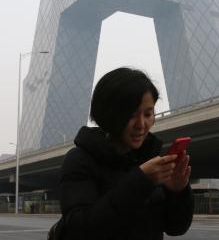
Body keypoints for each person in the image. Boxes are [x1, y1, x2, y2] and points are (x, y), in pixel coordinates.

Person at [59, 67, 193, 240]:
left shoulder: (152, 159)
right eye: (131, 115)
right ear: (108, 114)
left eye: (148, 113)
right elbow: (81, 229)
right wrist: (141, 180)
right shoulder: (80, 160)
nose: (141, 124)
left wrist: (178, 192)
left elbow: (176, 228)